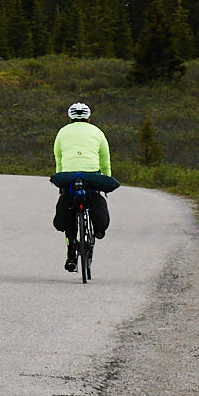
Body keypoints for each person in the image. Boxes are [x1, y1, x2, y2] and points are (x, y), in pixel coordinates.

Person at [50, 101, 119, 272]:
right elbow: (105, 159)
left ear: (70, 118)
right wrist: (106, 178)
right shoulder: (97, 131)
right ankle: (98, 229)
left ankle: (71, 252)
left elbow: (58, 158)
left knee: (68, 207)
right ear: (88, 118)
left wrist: (62, 181)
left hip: (68, 175)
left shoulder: (62, 132)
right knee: (94, 198)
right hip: (92, 175)